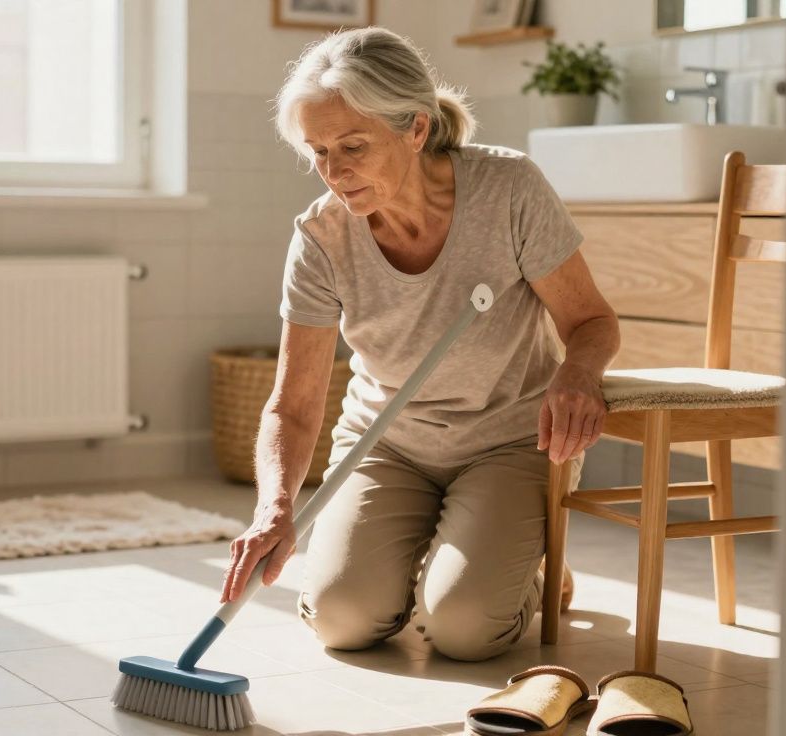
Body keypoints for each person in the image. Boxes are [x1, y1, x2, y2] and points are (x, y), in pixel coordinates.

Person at [219, 26, 620, 662]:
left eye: (353, 145)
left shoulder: (510, 189)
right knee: (343, 620)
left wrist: (579, 372)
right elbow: (293, 405)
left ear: (415, 128)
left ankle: (528, 571)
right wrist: (274, 505)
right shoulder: (322, 238)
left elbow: (593, 322)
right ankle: (454, 559)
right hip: (388, 443)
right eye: (318, 151)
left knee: (464, 629)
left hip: (511, 440)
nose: (334, 171)